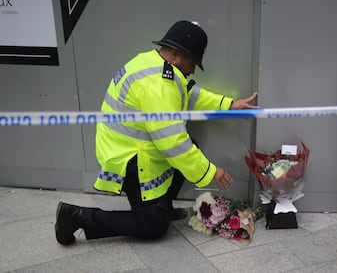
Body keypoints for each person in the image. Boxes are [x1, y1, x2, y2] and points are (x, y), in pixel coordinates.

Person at [55, 20, 258, 245]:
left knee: (191, 150)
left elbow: (189, 94)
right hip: (128, 158)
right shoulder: (158, 85)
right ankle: (77, 217)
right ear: (174, 54)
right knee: (153, 226)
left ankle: (161, 206)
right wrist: (211, 172)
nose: (192, 70)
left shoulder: (154, 62)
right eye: (192, 62)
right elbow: (173, 143)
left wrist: (228, 105)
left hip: (133, 146)